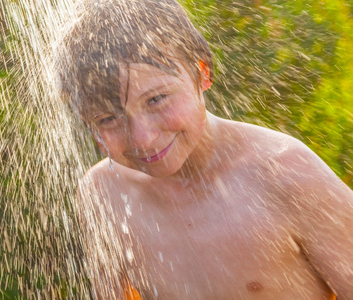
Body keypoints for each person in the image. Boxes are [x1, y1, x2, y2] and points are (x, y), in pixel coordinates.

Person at [55, 0, 353, 298]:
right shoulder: (105, 194)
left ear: (203, 71)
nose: (142, 139)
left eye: (156, 99)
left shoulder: (287, 174)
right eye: (108, 119)